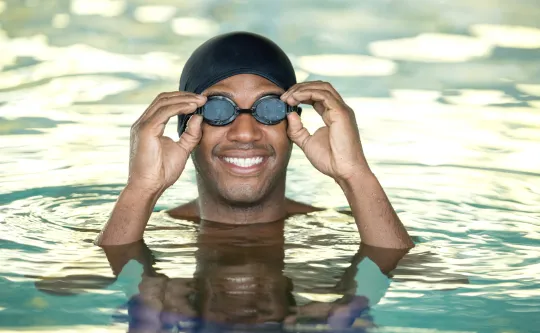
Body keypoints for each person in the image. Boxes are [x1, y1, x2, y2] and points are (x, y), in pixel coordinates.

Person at [89, 31, 415, 330]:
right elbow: (56, 288)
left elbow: (432, 280)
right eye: (218, 109)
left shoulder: (339, 230)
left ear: (292, 128)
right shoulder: (149, 231)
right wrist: (141, 188)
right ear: (187, 128)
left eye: (269, 108)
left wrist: (355, 174)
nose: (245, 133)